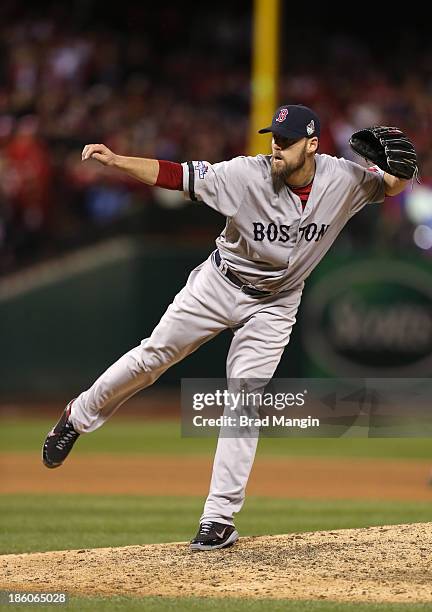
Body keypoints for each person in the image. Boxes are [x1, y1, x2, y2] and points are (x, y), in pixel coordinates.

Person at [42, 104, 412, 551]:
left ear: (312, 145)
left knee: (244, 399)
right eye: (274, 137)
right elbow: (175, 175)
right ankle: (77, 416)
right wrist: (118, 161)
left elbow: (390, 184)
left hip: (276, 305)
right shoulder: (244, 174)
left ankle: (217, 519)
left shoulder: (343, 179)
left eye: (288, 140)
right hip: (219, 283)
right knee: (152, 357)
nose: (277, 146)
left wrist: (404, 170)